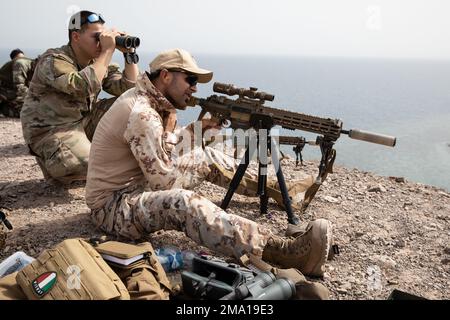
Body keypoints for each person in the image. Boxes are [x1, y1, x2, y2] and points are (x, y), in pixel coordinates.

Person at [85, 48, 333, 277]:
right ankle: (283, 251)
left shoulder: (150, 101)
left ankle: (283, 192)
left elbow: (161, 150)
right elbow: (163, 182)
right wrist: (183, 143)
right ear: (165, 76)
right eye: (190, 80)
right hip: (113, 208)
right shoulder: (143, 113)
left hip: (136, 186)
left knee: (207, 157)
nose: (194, 88)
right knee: (183, 202)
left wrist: (197, 131)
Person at [20, 11, 139, 184]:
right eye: (97, 37)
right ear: (76, 36)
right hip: (52, 130)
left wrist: (129, 54)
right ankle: (56, 162)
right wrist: (106, 51)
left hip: (82, 123)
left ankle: (89, 154)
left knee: (135, 104)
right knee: (99, 166)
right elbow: (82, 87)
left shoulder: (97, 61)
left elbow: (130, 88)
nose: (102, 42)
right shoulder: (54, 60)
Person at [0, 49, 35, 118]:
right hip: (5, 91)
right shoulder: (20, 63)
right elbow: (19, 86)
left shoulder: (27, 65)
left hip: (10, 92)